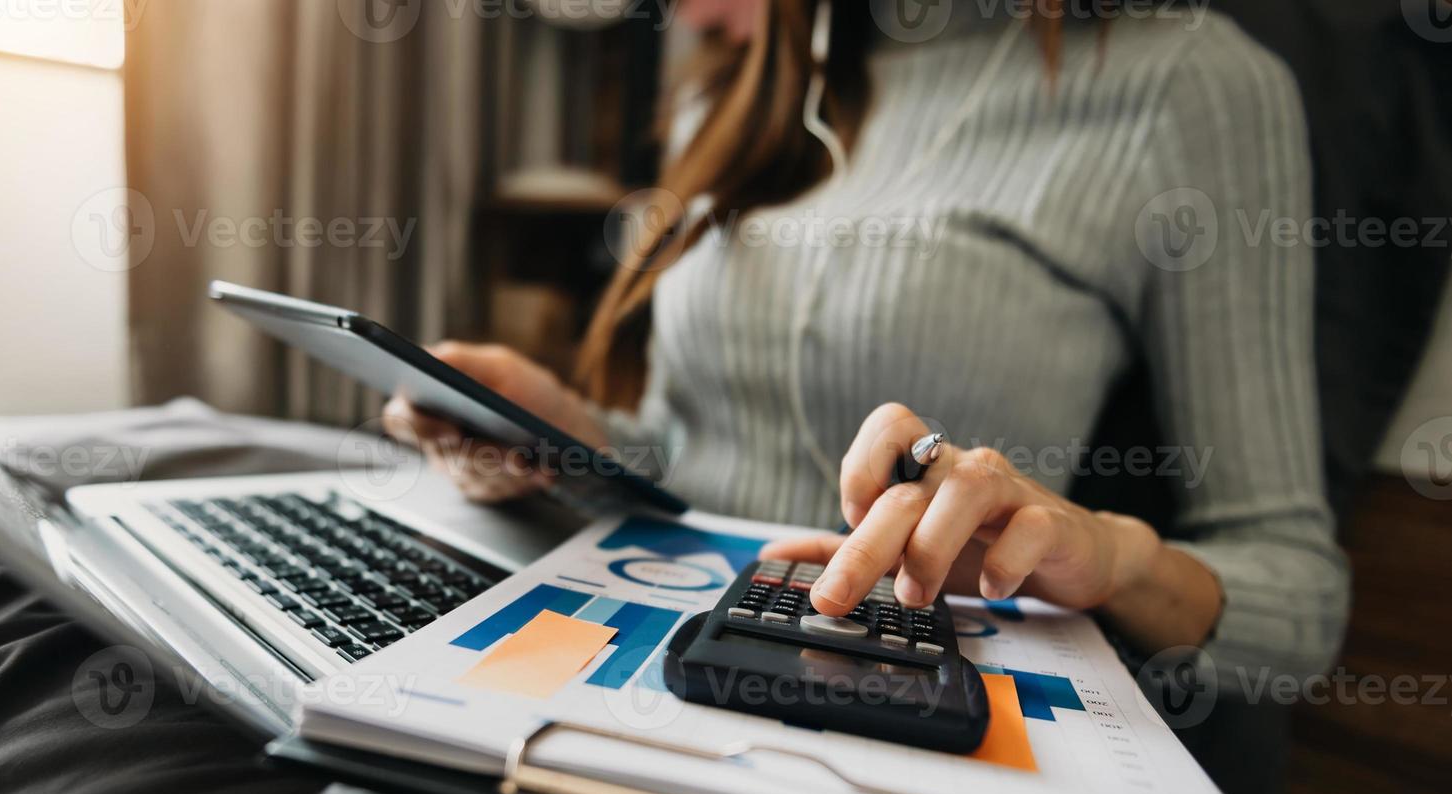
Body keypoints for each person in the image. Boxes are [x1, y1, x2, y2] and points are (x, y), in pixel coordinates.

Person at [388, 1, 1350, 683]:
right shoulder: (748, 80)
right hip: (636, 637)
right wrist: (571, 435)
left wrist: (1114, 555)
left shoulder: (1194, 83)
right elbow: (691, 455)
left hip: (883, 684)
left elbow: (1298, 601)